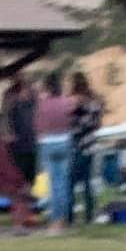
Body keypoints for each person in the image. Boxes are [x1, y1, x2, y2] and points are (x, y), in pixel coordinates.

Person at [35, 70, 78, 234]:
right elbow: (73, 117)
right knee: (64, 184)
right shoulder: (66, 102)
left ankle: (54, 222)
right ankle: (63, 220)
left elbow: (37, 126)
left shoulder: (42, 104)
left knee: (53, 185)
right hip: (64, 141)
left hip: (47, 142)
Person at [68, 71, 104, 227]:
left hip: (75, 142)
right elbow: (98, 123)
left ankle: (70, 216)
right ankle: (89, 215)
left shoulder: (72, 101)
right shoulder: (94, 100)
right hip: (90, 142)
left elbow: (69, 121)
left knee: (71, 181)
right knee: (88, 181)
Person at [3, 77, 38, 189]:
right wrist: (9, 135)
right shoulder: (14, 106)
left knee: (31, 175)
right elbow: (6, 121)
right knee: (21, 173)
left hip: (31, 145)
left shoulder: (32, 104)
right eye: (26, 90)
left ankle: (30, 194)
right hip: (20, 146)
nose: (28, 92)